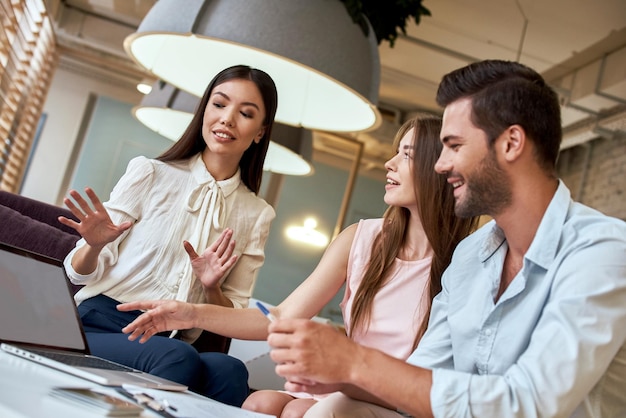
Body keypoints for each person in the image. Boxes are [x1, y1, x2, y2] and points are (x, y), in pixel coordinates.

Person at [257, 59, 626, 418]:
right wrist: (334, 373)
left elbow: (528, 404)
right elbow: (421, 382)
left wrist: (356, 362)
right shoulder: (469, 257)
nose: (439, 164)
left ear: (511, 143)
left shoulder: (601, 253)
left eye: (454, 145)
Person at [117, 114, 478, 417]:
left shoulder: (465, 264)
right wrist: (190, 313)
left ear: (439, 169)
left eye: (407, 155)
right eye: (396, 152)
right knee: (261, 403)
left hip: (397, 398)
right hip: (343, 390)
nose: (389, 163)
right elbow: (280, 316)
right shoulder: (361, 238)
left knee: (313, 412)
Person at [58, 65, 278, 406]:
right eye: (219, 105)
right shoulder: (150, 173)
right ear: (205, 110)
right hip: (100, 322)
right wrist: (94, 245)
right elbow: (76, 271)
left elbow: (231, 317)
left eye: (245, 113)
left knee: (229, 370)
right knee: (177, 358)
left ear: (260, 132)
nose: (227, 119)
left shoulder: (257, 215)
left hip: (170, 336)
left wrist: (211, 287)